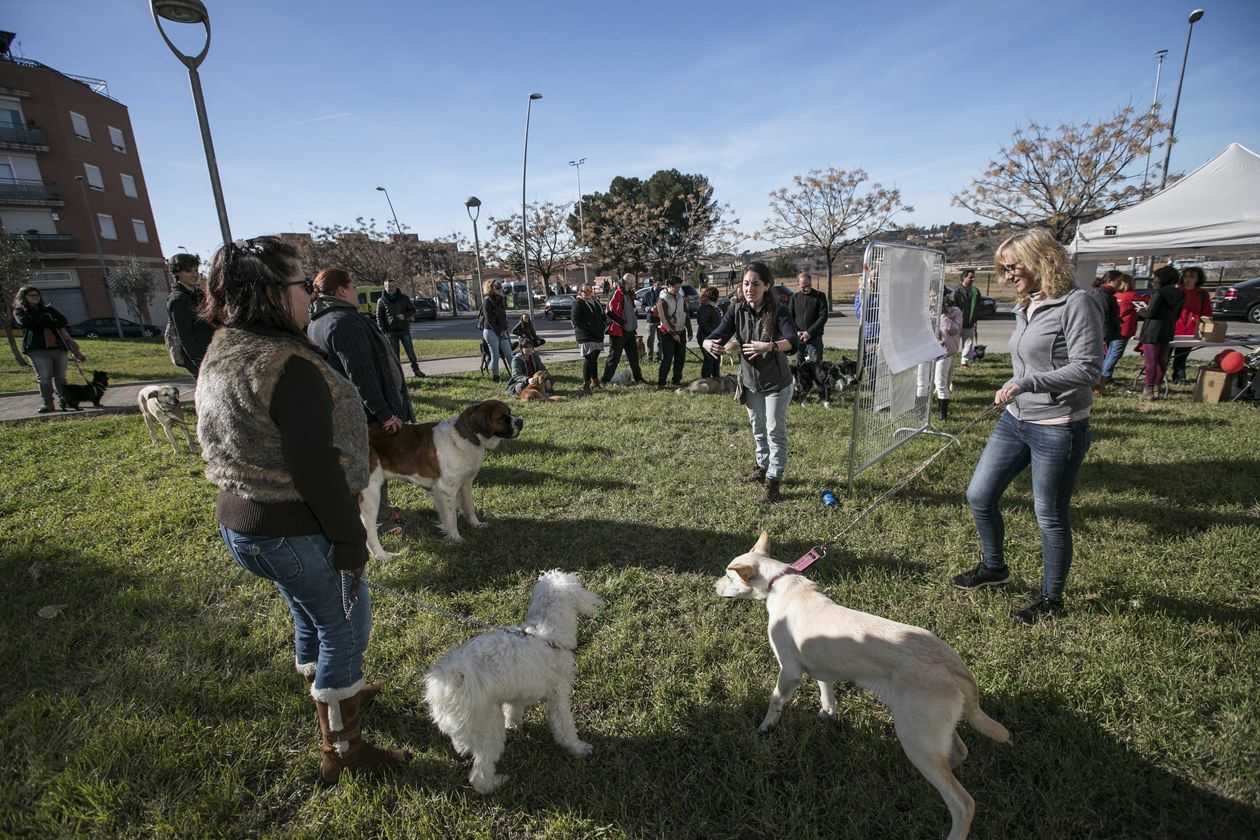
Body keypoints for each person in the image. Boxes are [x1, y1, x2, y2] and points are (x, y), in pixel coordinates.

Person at [195, 236, 407, 783]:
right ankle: (343, 748)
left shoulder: (227, 345)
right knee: (345, 629)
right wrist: (349, 540)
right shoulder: (283, 363)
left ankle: (333, 692)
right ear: (269, 293)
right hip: (291, 526)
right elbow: (314, 467)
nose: (306, 296)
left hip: (244, 524)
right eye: (298, 285)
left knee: (308, 612)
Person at [949, 228, 1102, 625]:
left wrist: (1028, 382)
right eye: (1002, 270)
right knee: (979, 496)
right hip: (1016, 419)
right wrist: (1015, 383)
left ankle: (1052, 599)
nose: (1006, 276)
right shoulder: (1028, 305)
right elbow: (1027, 360)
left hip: (1059, 425)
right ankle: (995, 568)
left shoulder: (1076, 302)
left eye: (1012, 267)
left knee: (1049, 515)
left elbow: (1088, 368)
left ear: (1040, 260)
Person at [307, 267, 413, 537]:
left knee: (363, 466)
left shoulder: (319, 320)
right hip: (362, 414)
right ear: (341, 290)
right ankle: (380, 520)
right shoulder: (343, 321)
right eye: (353, 286)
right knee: (369, 469)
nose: (357, 291)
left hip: (343, 411)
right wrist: (385, 413)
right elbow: (361, 375)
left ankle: (374, 513)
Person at [703, 262, 798, 505]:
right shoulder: (737, 310)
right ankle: (761, 467)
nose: (749, 288)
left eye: (755, 284)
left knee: (774, 431)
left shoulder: (779, 311)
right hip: (750, 383)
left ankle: (773, 481)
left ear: (767, 286)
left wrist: (770, 346)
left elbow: (793, 341)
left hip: (777, 383)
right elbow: (718, 334)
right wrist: (708, 343)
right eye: (746, 283)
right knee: (758, 428)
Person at [12, 285, 85, 413]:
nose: (35, 297)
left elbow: (63, 320)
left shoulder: (48, 309)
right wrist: (48, 319)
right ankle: (47, 404)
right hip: (37, 350)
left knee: (60, 377)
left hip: (58, 348)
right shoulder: (20, 311)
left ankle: (65, 401)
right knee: (44, 377)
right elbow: (28, 323)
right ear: (24, 297)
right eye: (31, 295)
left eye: (37, 295)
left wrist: (45, 320)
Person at [1134, 265, 1185, 400]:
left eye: (1156, 277)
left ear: (1162, 278)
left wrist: (1140, 311)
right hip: (1167, 329)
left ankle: (1148, 390)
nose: (1154, 280)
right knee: (1161, 360)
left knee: (1150, 361)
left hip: (1152, 331)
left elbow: (1150, 313)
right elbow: (1177, 314)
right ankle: (1157, 387)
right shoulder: (1180, 293)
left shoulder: (1159, 293)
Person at [165, 252, 215, 379]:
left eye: (195, 270)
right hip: (200, 361)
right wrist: (200, 364)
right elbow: (186, 338)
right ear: (177, 273)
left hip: (212, 353)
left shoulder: (199, 294)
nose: (194, 274)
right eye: (188, 271)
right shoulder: (178, 300)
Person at [916, 295, 963, 419]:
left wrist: (942, 317)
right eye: (930, 296)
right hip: (925, 351)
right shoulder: (923, 311)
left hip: (943, 352)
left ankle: (942, 415)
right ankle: (920, 413)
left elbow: (955, 329)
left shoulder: (954, 312)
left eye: (936, 296)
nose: (933, 299)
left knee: (940, 383)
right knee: (922, 382)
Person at [601, 273, 646, 385]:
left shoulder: (629, 294)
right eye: (633, 282)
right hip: (618, 331)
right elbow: (609, 312)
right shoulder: (616, 292)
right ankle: (605, 380)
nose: (634, 285)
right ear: (628, 282)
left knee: (634, 357)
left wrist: (633, 311)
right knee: (614, 357)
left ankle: (638, 378)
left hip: (630, 331)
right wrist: (622, 323)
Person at [1171, 266, 1212, 384]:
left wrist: (1205, 328)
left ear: (1198, 279)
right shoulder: (1177, 291)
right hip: (1174, 327)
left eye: (1192, 277)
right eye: (1186, 276)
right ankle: (1159, 377)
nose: (1188, 279)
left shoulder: (1202, 294)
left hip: (1191, 329)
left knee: (1181, 356)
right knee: (1165, 355)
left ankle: (1179, 377)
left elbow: (1207, 313)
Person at [376, 279, 422, 377]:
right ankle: (399, 374)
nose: (391, 288)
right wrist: (384, 331)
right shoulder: (381, 301)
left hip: (404, 329)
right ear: (385, 288)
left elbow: (412, 310)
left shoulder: (404, 298)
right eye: (389, 286)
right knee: (395, 355)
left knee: (410, 352)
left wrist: (404, 316)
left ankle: (416, 370)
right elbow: (379, 317)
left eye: (393, 286)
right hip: (391, 332)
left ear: (395, 286)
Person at [1102, 272, 1140, 383]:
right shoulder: (1133, 296)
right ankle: (1106, 375)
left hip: (1115, 327)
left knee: (1110, 352)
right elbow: (1145, 306)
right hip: (1125, 328)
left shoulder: (1115, 295)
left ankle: (1104, 374)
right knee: (1116, 353)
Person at [655, 277, 691, 389]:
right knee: (667, 359)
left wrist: (689, 330)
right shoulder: (662, 300)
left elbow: (686, 314)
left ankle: (676, 380)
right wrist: (673, 333)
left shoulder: (680, 298)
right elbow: (664, 319)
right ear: (669, 286)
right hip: (668, 334)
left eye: (679, 288)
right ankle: (661, 383)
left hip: (681, 331)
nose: (677, 290)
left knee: (680, 358)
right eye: (675, 288)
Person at [572, 281, 606, 391]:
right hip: (586, 336)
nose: (587, 292)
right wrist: (587, 329)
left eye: (589, 290)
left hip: (597, 335)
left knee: (594, 359)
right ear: (580, 292)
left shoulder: (595, 302)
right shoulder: (578, 302)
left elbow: (602, 316)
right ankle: (586, 383)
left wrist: (604, 325)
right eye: (585, 290)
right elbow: (575, 320)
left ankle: (595, 381)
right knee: (589, 358)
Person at [1091, 271, 1122, 390]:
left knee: (1102, 359)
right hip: (1102, 333)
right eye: (1118, 281)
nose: (1120, 284)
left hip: (1106, 333)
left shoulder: (1107, 293)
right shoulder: (1102, 294)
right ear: (1109, 281)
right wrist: (1103, 336)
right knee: (1099, 360)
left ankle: (1099, 385)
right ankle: (1095, 386)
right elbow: (1102, 316)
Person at [477, 279, 513, 382]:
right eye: (497, 288)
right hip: (490, 331)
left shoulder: (500, 299)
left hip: (502, 331)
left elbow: (503, 316)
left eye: (500, 287)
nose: (500, 289)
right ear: (491, 289)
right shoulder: (487, 300)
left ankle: (516, 374)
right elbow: (489, 319)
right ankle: (496, 376)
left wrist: (505, 328)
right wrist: (498, 331)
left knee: (509, 354)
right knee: (495, 355)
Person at [790, 271, 828, 365]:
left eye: (808, 285)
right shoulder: (794, 298)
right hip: (799, 338)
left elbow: (823, 317)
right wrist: (796, 331)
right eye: (803, 286)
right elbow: (790, 317)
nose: (806, 288)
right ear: (798, 284)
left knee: (816, 365)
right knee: (801, 366)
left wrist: (809, 332)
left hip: (814, 337)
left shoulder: (820, 296)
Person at [952, 269, 982, 366]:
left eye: (973, 277)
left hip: (970, 323)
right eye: (970, 277)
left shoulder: (976, 291)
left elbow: (978, 306)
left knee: (968, 344)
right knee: (953, 344)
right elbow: (952, 308)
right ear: (964, 277)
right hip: (958, 323)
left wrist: (975, 318)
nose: (972, 279)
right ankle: (949, 361)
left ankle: (964, 362)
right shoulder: (956, 292)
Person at [695, 285, 724, 379]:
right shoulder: (704, 307)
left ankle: (716, 377)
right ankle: (705, 379)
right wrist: (714, 334)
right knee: (709, 359)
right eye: (715, 295)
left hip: (714, 336)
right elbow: (704, 324)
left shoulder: (714, 307)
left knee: (716, 358)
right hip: (705, 336)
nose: (717, 297)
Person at [642, 278, 663, 361]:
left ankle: (659, 357)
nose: (659, 286)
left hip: (660, 319)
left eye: (660, 284)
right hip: (651, 320)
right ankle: (649, 357)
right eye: (658, 284)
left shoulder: (662, 294)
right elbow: (643, 306)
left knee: (660, 339)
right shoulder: (647, 294)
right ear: (654, 284)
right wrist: (650, 309)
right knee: (650, 339)